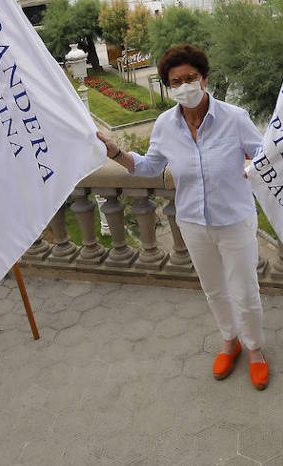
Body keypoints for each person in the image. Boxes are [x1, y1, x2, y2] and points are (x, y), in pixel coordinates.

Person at [96, 44, 270, 390]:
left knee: (245, 290)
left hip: (234, 219)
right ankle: (229, 341)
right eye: (176, 81)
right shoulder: (164, 125)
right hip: (192, 221)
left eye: (191, 78)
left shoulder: (234, 118)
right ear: (168, 86)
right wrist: (115, 151)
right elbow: (148, 168)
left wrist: (251, 167)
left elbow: (264, 153)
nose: (184, 85)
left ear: (204, 79)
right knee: (214, 290)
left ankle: (255, 350)